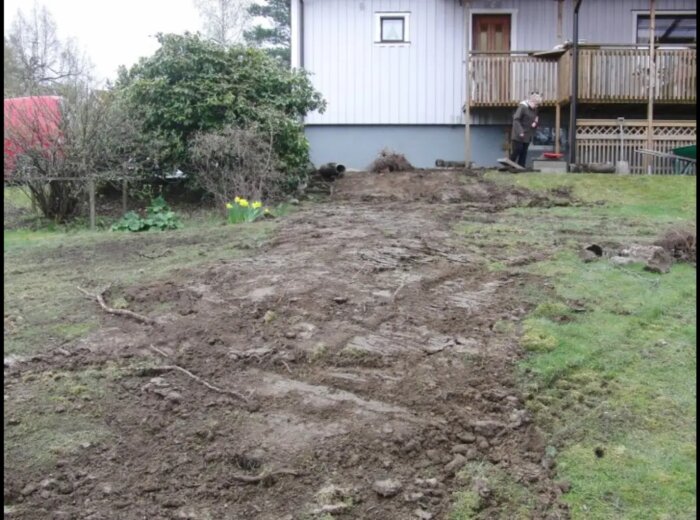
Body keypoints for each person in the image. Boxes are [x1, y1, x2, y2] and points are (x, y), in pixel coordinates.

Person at [509, 92, 542, 169]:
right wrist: (520, 131)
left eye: (538, 105)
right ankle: (510, 165)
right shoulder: (522, 107)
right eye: (536, 104)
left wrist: (535, 123)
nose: (536, 106)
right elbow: (516, 120)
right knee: (517, 149)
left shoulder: (534, 110)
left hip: (527, 135)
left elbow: (535, 120)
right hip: (518, 134)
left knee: (524, 153)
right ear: (531, 101)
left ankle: (521, 168)